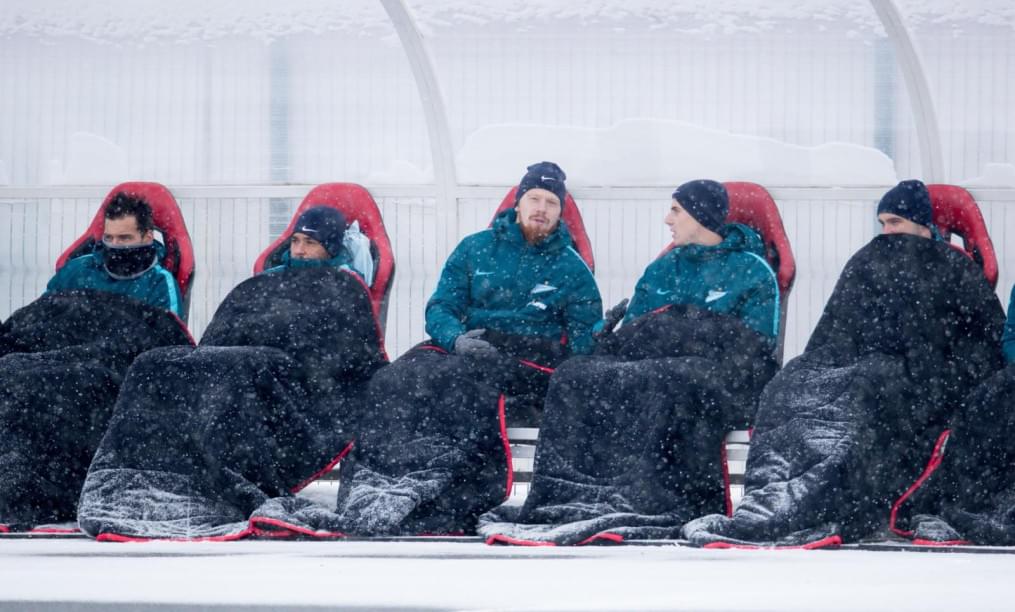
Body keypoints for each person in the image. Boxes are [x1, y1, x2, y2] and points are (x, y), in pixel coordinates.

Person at [682, 179, 1004, 549]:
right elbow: (834, 325)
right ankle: (769, 499)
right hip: (850, 359)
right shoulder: (867, 260)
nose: (887, 233)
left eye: (895, 223)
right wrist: (824, 361)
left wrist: (926, 364)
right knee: (792, 383)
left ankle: (818, 502)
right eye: (882, 223)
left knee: (866, 392)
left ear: (922, 224)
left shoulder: (955, 269)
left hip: (912, 369)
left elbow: (982, 340)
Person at [477, 179, 781, 545]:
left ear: (701, 217)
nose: (667, 219)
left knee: (668, 379)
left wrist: (686, 325)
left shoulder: (753, 270)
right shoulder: (662, 268)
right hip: (653, 366)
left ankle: (653, 499)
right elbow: (637, 330)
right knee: (576, 374)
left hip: (720, 376)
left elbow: (754, 347)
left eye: (676, 210)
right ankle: (574, 498)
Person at [311, 161, 604, 537]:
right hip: (461, 346)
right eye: (534, 198)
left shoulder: (571, 268)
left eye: (551, 202)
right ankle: (380, 483)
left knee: (456, 386)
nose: (541, 209)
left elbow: (582, 336)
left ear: (560, 212)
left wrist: (586, 349)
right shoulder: (474, 249)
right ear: (517, 202)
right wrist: (455, 339)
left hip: (520, 359)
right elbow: (441, 307)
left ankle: (441, 494)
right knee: (393, 380)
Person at [77, 208, 387, 540]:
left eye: (310, 243)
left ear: (331, 246)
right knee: (153, 363)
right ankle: (134, 476)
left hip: (286, 371)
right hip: (237, 357)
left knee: (232, 371)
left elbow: (342, 354)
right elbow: (223, 329)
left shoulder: (344, 285)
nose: (298, 250)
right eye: (295, 241)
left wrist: (284, 346)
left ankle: (218, 482)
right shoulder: (258, 284)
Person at [46, 192, 182, 318]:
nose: (114, 244)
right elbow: (42, 315)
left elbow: (169, 339)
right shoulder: (77, 270)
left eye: (124, 238)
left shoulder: (159, 284)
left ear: (147, 237)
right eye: (109, 237)